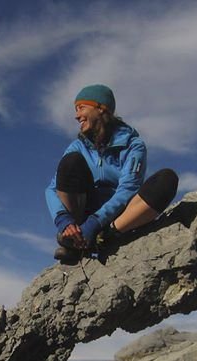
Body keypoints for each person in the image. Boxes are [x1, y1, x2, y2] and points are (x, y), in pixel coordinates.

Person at [45, 84, 179, 262]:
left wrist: (96, 223)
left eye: (81, 108)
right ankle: (75, 239)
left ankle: (105, 238)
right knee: (71, 163)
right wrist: (64, 221)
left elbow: (128, 188)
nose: (77, 116)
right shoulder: (77, 147)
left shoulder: (133, 145)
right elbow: (52, 189)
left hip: (119, 215)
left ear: (101, 108)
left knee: (166, 179)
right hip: (83, 214)